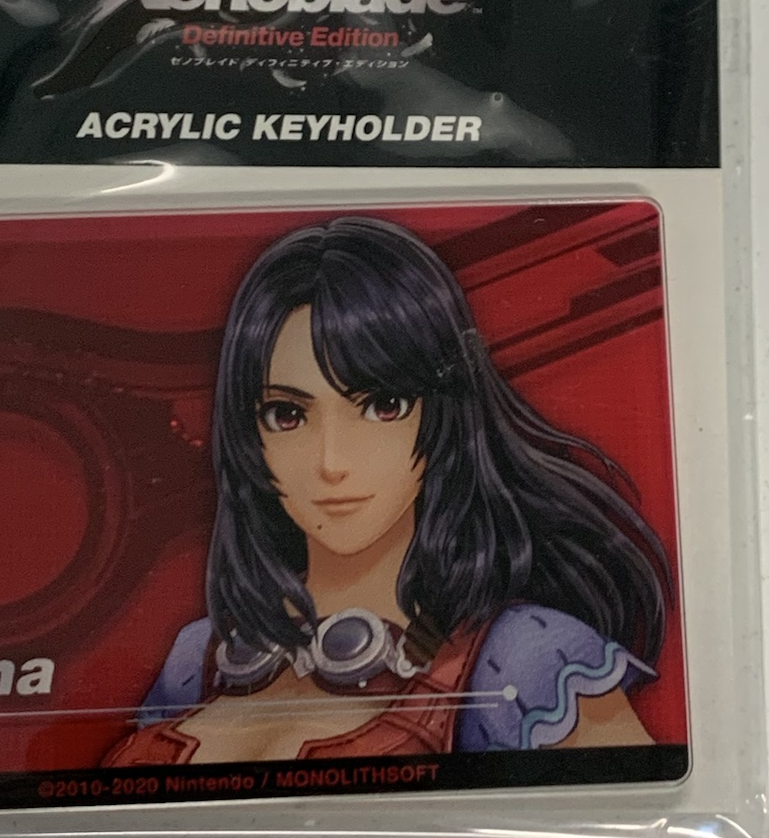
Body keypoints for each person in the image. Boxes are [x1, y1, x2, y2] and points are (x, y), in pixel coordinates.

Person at [102, 214, 671, 769]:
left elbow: (640, 830)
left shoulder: (524, 658)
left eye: (383, 406)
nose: (331, 464)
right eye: (287, 414)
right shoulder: (198, 656)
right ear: (247, 434)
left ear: (445, 412)